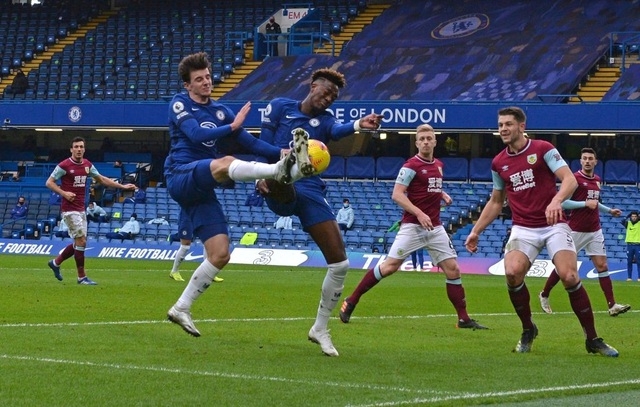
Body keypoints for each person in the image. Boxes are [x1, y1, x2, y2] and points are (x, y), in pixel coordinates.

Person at [164, 52, 311, 338]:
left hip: (201, 188)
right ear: (187, 85)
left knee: (220, 254)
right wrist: (232, 126)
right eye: (199, 79)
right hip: (180, 173)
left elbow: (251, 143)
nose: (206, 82)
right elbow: (195, 136)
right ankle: (276, 173)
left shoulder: (220, 111)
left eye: (207, 76)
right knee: (225, 161)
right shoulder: (179, 103)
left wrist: (282, 151)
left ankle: (181, 307)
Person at [464, 106, 618, 356]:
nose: (502, 128)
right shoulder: (499, 163)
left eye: (508, 124)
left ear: (521, 127)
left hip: (554, 225)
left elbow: (570, 180)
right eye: (500, 124)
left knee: (569, 276)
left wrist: (556, 201)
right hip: (523, 228)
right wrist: (476, 230)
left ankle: (592, 339)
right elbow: (495, 201)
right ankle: (528, 329)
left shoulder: (544, 149)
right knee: (512, 274)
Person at [256, 67, 383, 356]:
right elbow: (260, 145)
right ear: (313, 86)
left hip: (311, 189)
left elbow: (337, 131)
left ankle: (320, 329)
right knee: (281, 175)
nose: (329, 99)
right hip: (275, 179)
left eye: (334, 97)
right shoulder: (279, 107)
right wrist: (262, 173)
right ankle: (286, 170)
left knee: (340, 264)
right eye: (326, 92)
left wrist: (359, 125)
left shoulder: (325, 122)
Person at [339, 124, 488, 331]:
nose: (426, 141)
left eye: (429, 138)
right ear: (417, 143)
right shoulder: (410, 166)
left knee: (453, 270)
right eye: (422, 139)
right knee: (390, 267)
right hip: (413, 226)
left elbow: (428, 186)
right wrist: (418, 212)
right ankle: (352, 299)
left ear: (435, 141)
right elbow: (397, 194)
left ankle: (463, 318)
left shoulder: (438, 164)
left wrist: (441, 193)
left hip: (435, 227)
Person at [538, 148, 630, 316]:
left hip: (594, 229)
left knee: (602, 265)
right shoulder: (574, 179)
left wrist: (609, 211)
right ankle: (544, 294)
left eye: (590, 159)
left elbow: (594, 203)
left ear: (595, 162)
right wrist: (583, 204)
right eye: (584, 158)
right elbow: (563, 203)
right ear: (581, 161)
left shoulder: (597, 180)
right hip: (575, 230)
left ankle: (612, 305)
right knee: (564, 268)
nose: (587, 161)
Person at [46, 136, 137, 285]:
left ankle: (55, 263)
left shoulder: (87, 165)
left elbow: (101, 179)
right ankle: (81, 277)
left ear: (84, 149)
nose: (79, 149)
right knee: (81, 241)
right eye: (76, 147)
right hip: (69, 209)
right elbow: (49, 182)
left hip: (81, 208)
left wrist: (122, 187)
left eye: (81, 147)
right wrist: (64, 193)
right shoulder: (64, 165)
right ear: (71, 149)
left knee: (80, 242)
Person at [169, 210, 223, 283]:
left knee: (207, 242)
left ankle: (208, 273)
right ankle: (174, 271)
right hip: (188, 215)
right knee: (185, 246)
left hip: (201, 215)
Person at [620, 210, 640, 282]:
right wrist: (628, 215)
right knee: (629, 262)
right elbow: (622, 221)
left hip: (638, 245)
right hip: (629, 245)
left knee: (639, 262)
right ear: (630, 217)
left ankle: (639, 278)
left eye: (635, 216)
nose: (634, 218)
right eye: (632, 216)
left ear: (637, 217)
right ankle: (629, 277)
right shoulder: (628, 223)